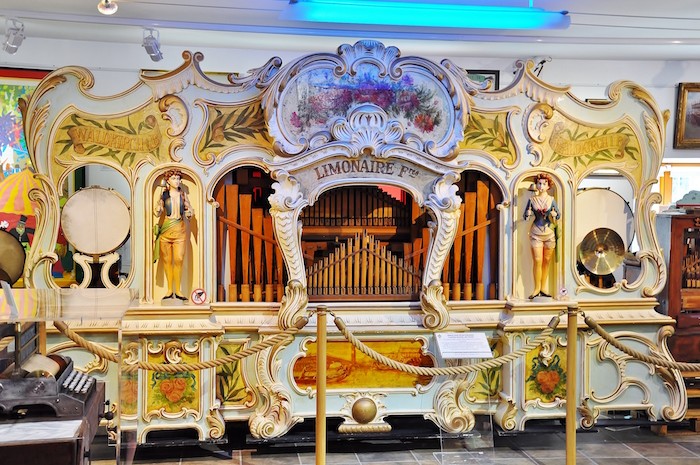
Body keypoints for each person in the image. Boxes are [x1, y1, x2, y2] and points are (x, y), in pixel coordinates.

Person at [153, 169, 193, 301]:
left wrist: (189, 213)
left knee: (179, 259)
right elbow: (157, 212)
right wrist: (158, 209)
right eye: (174, 178)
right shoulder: (164, 195)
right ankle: (170, 289)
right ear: (168, 181)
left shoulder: (182, 195)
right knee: (167, 261)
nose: (177, 181)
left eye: (178, 178)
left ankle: (179, 290)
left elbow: (189, 210)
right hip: (166, 230)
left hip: (179, 230)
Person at [523, 173, 560, 299]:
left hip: (549, 233)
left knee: (546, 261)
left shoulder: (551, 200)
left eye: (544, 184)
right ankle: (536, 288)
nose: (541, 186)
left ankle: (543, 287)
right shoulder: (532, 200)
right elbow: (525, 216)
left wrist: (555, 214)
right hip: (536, 232)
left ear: (548, 186)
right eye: (539, 183)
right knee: (537, 260)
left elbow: (558, 215)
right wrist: (528, 214)